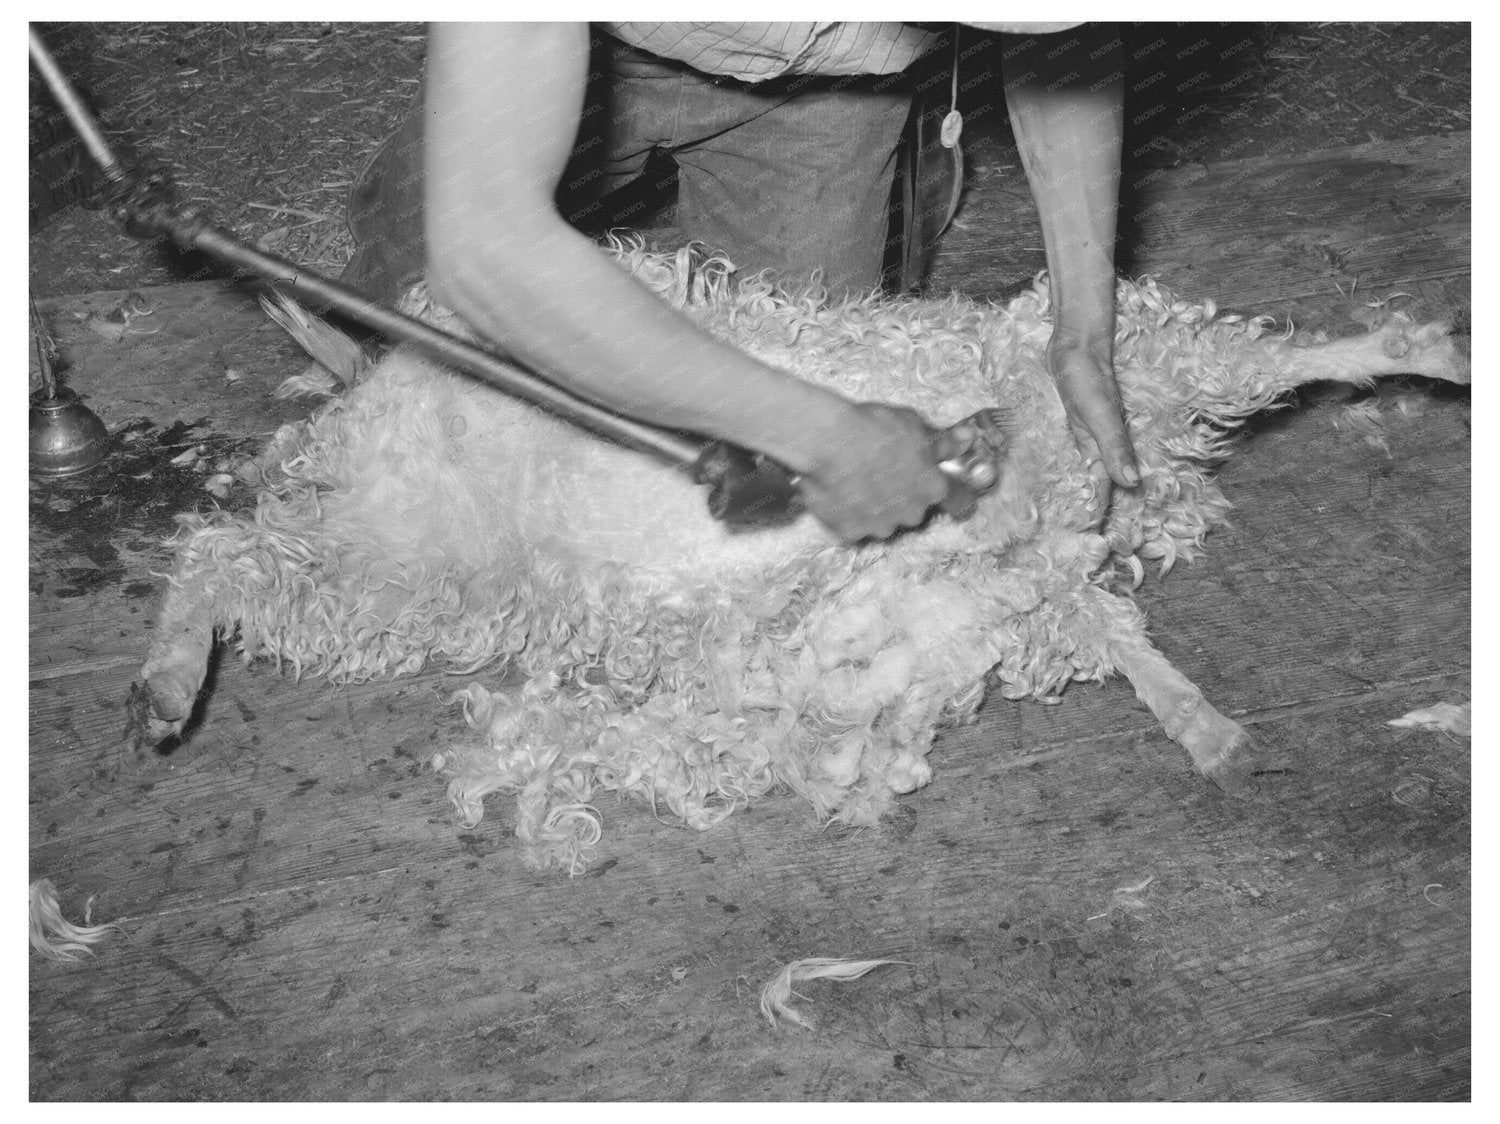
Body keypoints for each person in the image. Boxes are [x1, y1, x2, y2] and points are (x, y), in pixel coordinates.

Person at [350, 22, 1138, 542]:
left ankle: (912, 155)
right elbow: (487, 247)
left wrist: (1083, 331)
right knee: (404, 371)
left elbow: (1067, 47)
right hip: (589, 52)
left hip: (838, 86)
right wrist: (826, 436)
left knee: (810, 411)